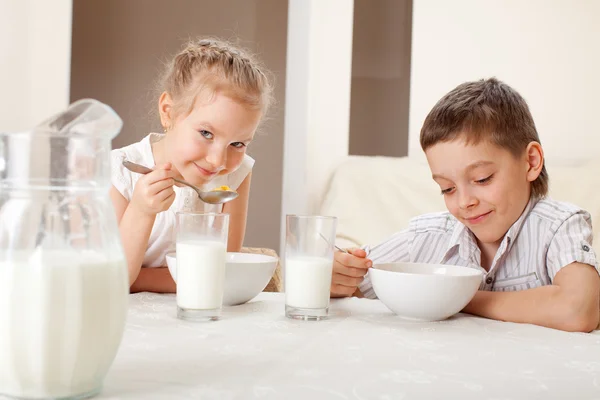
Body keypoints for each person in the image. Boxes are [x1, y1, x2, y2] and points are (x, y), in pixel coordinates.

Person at [331, 77, 600, 332]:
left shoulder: (559, 226)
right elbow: (354, 285)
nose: (464, 202)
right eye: (447, 188)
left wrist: (453, 296)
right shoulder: (426, 236)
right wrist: (338, 275)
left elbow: (579, 309)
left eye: (482, 179)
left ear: (530, 161)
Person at [110, 37, 272, 293]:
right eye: (206, 133)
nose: (218, 161)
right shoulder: (122, 170)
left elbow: (220, 273)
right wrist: (141, 210)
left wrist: (141, 280)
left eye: (238, 144)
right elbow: (112, 280)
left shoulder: (235, 175)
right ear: (168, 112)